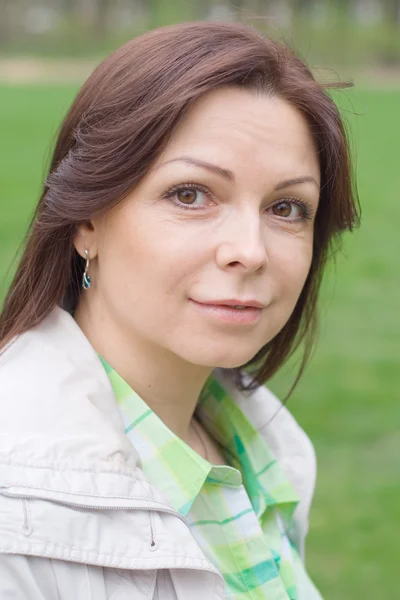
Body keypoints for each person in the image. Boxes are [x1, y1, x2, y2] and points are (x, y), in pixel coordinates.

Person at [0, 21, 359, 600]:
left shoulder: (270, 453)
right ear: (87, 221)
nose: (250, 250)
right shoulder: (15, 513)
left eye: (287, 207)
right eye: (190, 194)